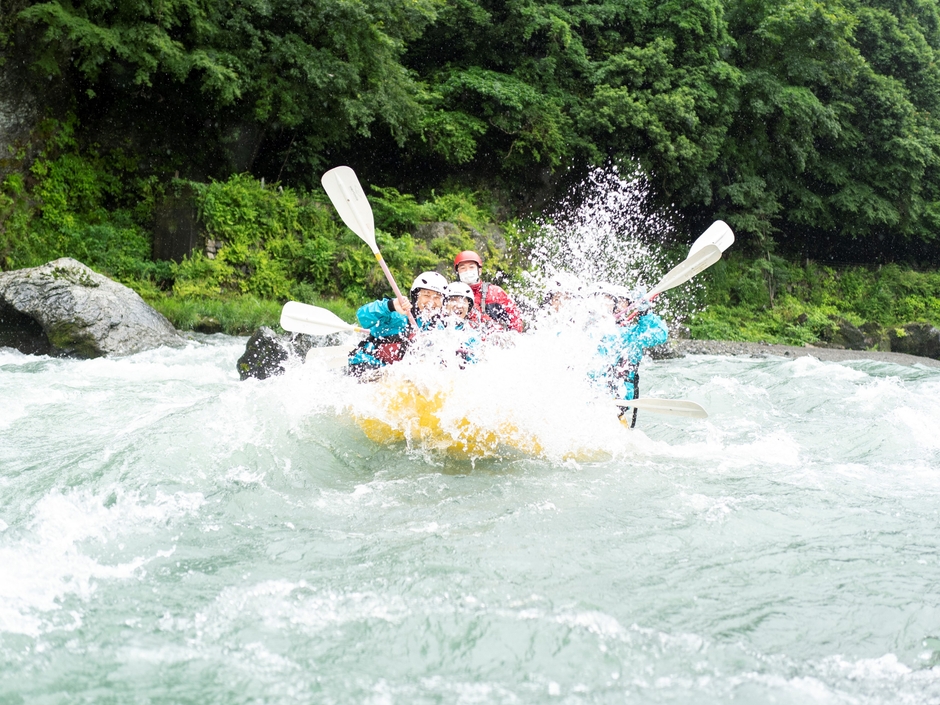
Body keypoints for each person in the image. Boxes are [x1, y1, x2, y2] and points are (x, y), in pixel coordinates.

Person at [346, 271, 448, 377]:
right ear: (416, 296)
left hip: (398, 376)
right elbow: (362, 317)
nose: (431, 302)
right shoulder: (398, 313)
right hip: (367, 367)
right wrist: (390, 306)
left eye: (437, 297)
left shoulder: (438, 327)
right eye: (426, 295)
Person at [594, 287, 668, 426]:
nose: (616, 307)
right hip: (583, 405)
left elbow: (660, 334)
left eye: (623, 302)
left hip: (613, 410)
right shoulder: (582, 333)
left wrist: (645, 313)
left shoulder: (632, 335)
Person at [453, 250, 524, 333]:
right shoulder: (452, 294)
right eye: (462, 268)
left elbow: (515, 319)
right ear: (458, 272)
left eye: (471, 267)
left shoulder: (495, 293)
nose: (467, 271)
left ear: (479, 270)